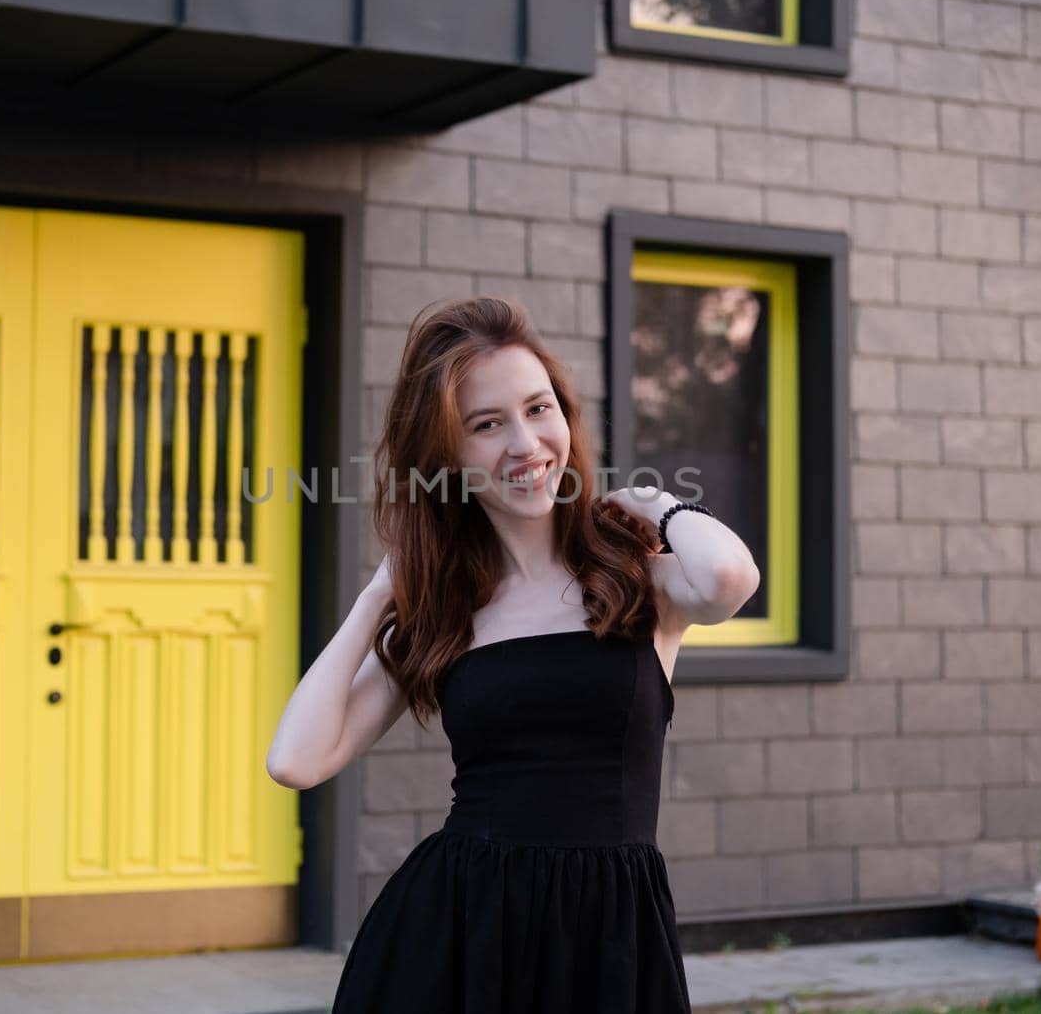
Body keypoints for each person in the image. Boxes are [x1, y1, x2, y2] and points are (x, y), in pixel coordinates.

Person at [266, 296, 760, 1013]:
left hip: (611, 940)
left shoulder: (638, 579)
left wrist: (654, 503)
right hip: (459, 940)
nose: (526, 443)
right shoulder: (445, 610)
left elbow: (729, 578)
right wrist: (378, 595)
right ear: (447, 454)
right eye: (487, 424)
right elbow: (296, 760)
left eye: (538, 408)